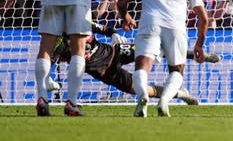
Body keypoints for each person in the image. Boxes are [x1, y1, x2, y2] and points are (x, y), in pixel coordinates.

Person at [118, 0, 208, 117]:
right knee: (176, 71)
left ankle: (143, 96)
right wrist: (199, 45)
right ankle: (164, 101)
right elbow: (203, 18)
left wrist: (126, 17)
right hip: (176, 27)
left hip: (150, 23)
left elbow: (122, 2)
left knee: (142, 67)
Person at [47, 23, 221, 104]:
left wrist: (114, 34)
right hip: (104, 72)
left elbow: (105, 29)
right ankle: (180, 94)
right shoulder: (58, 43)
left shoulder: (80, 22)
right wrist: (48, 79)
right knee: (141, 89)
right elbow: (50, 61)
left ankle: (199, 56)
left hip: (114, 51)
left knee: (153, 49)